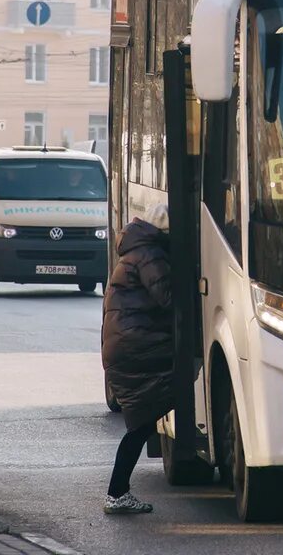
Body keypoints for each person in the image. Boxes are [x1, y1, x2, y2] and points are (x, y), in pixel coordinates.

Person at [101, 203, 173, 515]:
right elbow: (168, 296)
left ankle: (118, 493)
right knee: (141, 425)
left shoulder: (136, 251)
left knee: (142, 423)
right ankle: (116, 494)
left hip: (127, 346)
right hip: (135, 346)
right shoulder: (149, 255)